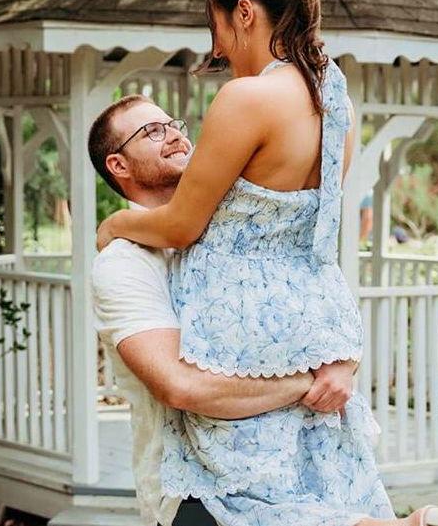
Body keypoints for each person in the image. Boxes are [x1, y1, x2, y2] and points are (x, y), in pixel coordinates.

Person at [96, 0, 438, 526]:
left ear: (244, 14)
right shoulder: (335, 100)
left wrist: (114, 225)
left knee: (246, 493)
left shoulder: (246, 98)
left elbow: (181, 226)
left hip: (243, 318)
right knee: (313, 475)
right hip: (314, 313)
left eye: (217, 30)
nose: (219, 51)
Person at [89, 95, 357, 526]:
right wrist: (309, 382)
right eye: (152, 131)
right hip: (196, 494)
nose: (174, 135)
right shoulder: (124, 264)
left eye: (173, 124)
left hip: (292, 469)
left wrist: (343, 362)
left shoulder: (233, 238)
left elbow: (314, 302)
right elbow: (181, 387)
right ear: (118, 164)